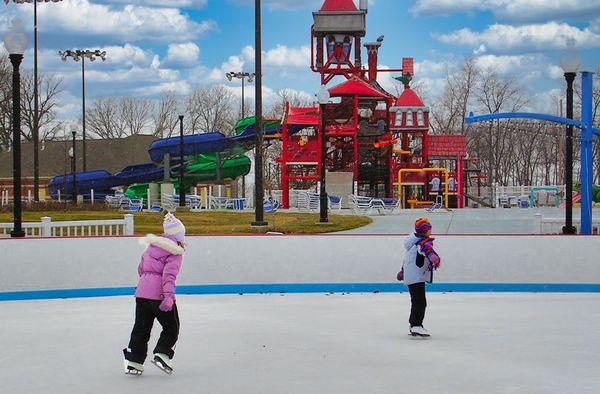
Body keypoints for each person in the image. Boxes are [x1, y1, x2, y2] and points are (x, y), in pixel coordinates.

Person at [123, 212, 186, 375]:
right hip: (158, 295)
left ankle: (134, 360)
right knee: (172, 326)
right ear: (179, 236)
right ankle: (163, 353)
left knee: (141, 327)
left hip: (142, 294)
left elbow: (141, 269)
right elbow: (169, 276)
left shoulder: (152, 247)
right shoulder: (175, 251)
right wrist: (168, 296)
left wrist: (145, 285)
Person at [397, 218, 441, 337]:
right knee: (420, 302)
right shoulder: (421, 242)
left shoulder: (412, 242)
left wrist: (402, 271)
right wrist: (433, 256)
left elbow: (407, 260)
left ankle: (414, 325)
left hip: (412, 276)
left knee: (417, 301)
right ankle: (416, 325)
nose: (430, 231)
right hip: (416, 277)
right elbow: (426, 249)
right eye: (429, 229)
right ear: (424, 230)